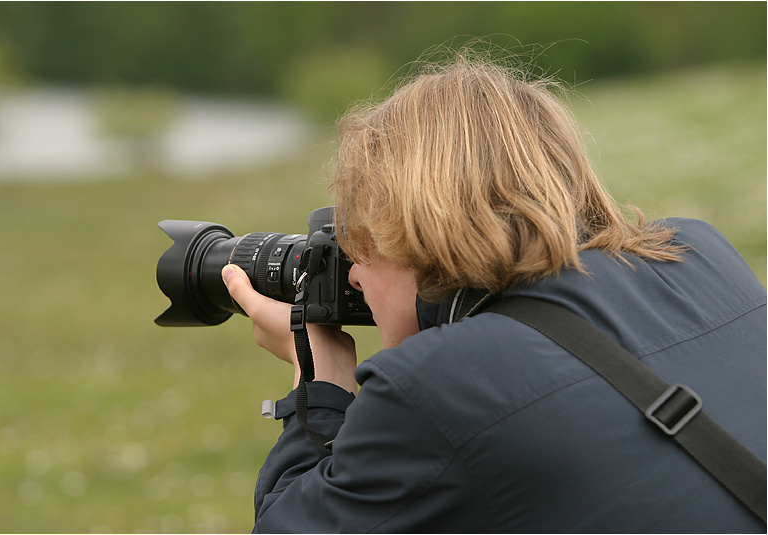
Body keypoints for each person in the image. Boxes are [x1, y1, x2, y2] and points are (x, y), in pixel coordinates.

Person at [220, 51, 766, 533]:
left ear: (416, 233)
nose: (354, 276)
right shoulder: (696, 251)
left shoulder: (430, 385)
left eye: (362, 243)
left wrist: (319, 385)